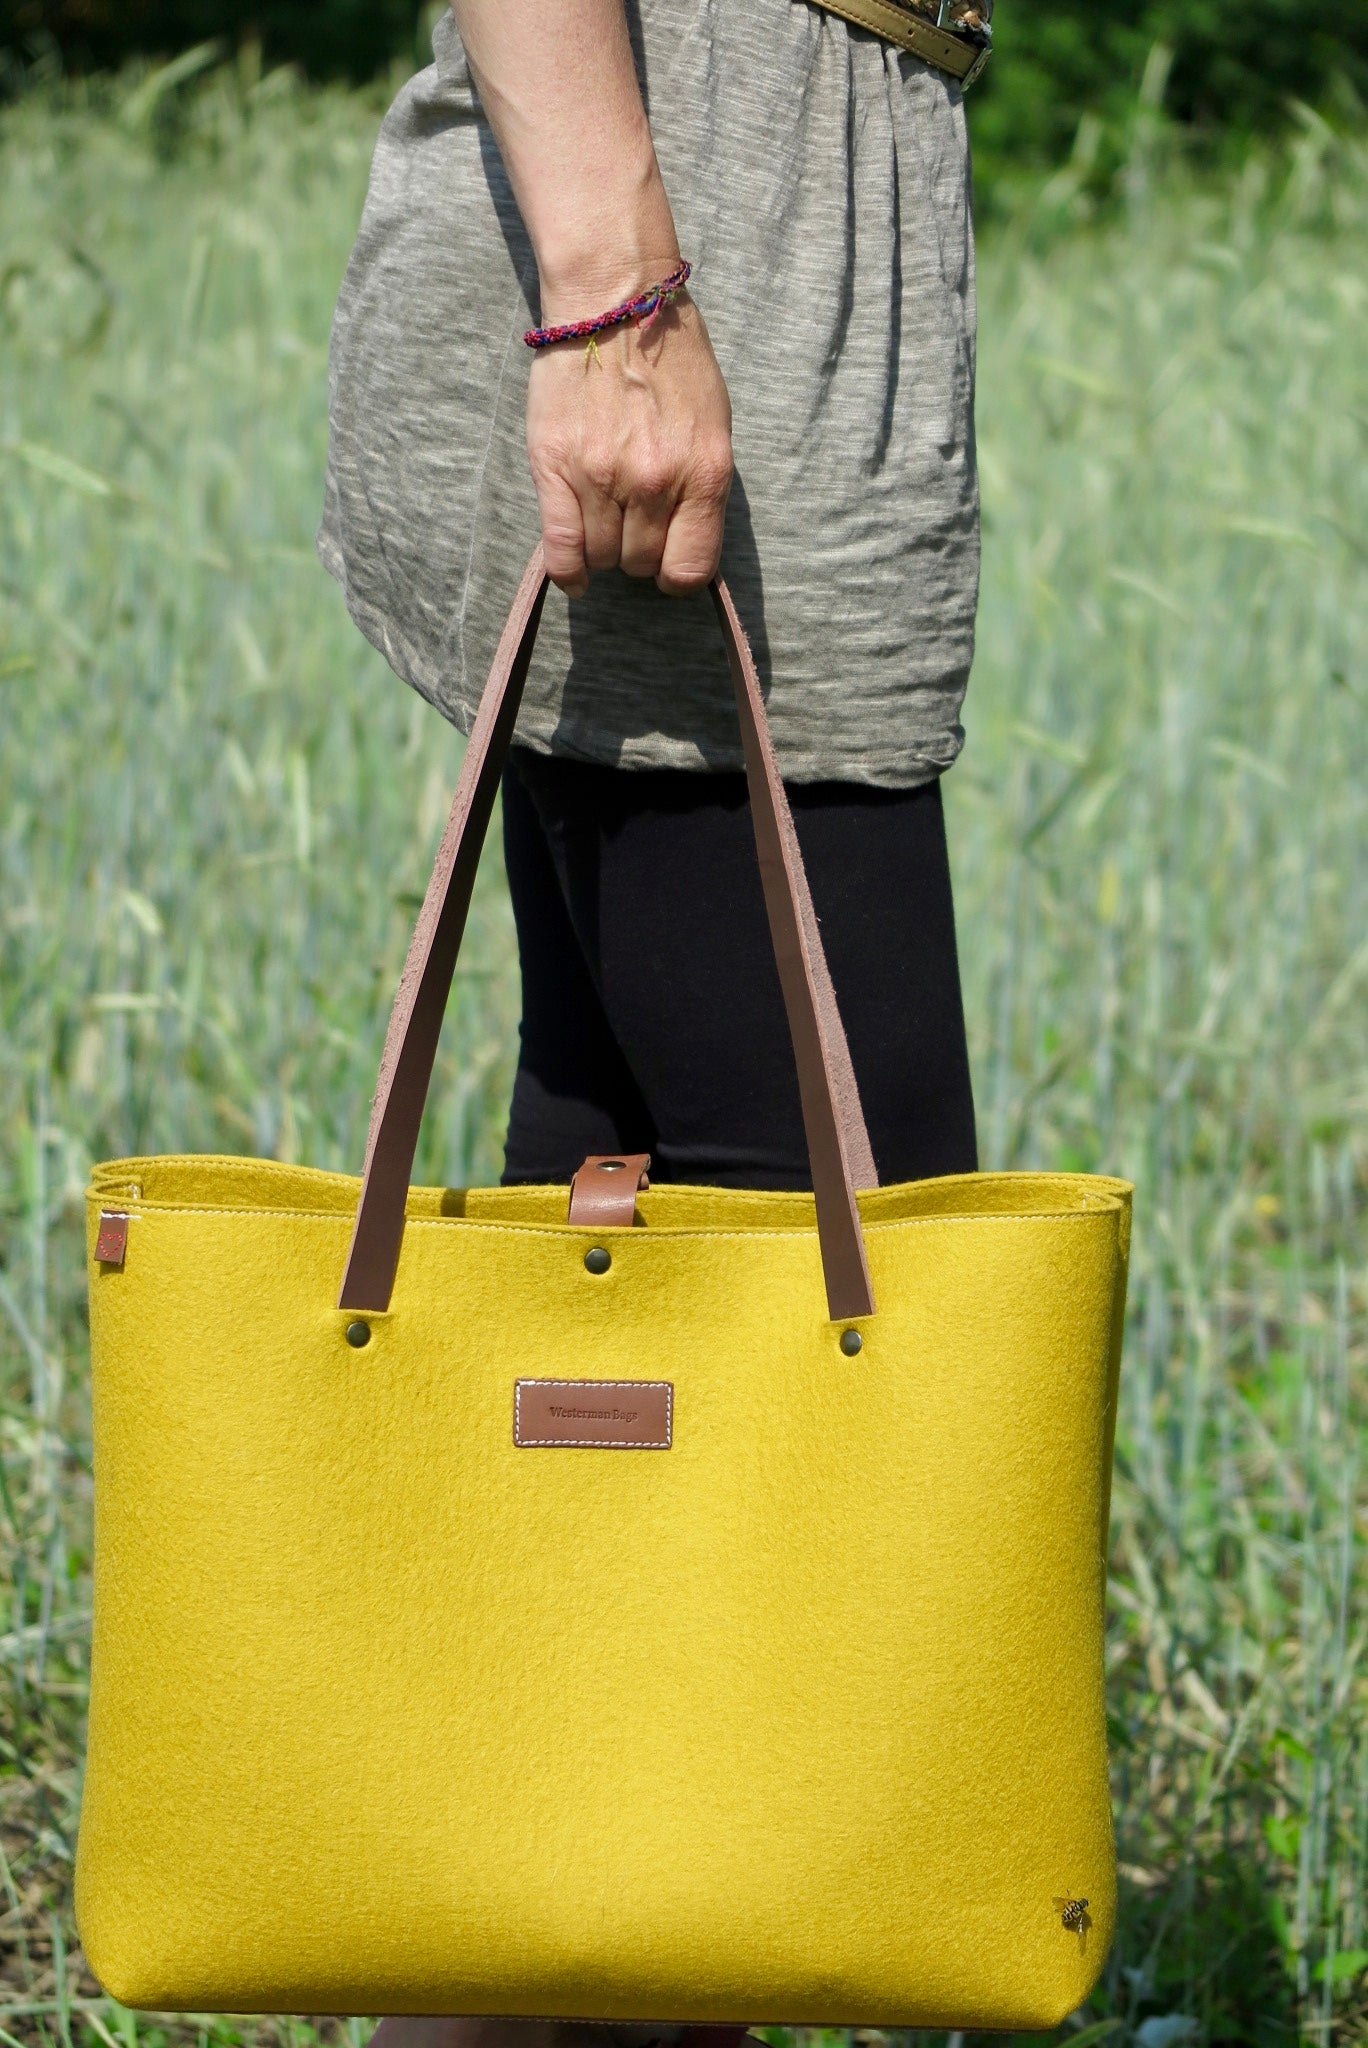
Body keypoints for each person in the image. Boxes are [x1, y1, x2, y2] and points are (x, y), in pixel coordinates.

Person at [319, 0, 984, 2038]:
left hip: (753, 317)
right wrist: (614, 304)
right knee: (857, 1391)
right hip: (683, 318)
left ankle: (500, 1960)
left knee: (633, 1393)